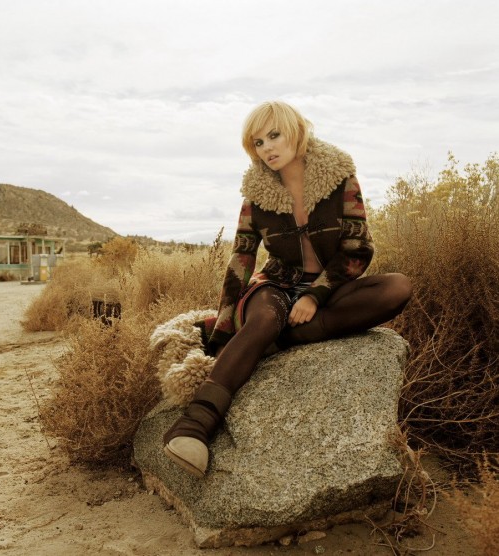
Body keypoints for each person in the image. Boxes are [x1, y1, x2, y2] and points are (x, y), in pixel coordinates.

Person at [163, 101, 412, 478]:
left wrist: (315, 296)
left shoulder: (340, 178)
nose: (267, 148)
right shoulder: (255, 195)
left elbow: (357, 248)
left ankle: (272, 339)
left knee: (397, 287)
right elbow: (241, 260)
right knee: (264, 317)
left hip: (328, 289)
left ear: (296, 131)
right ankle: (194, 425)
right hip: (276, 287)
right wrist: (224, 332)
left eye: (274, 135)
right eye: (258, 142)